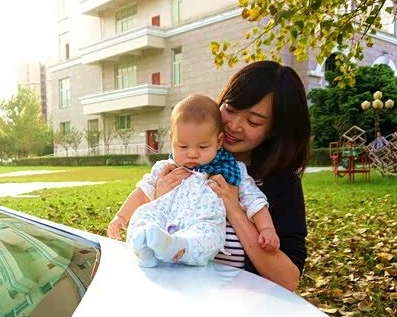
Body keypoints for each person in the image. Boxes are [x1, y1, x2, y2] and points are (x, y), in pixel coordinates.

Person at [154, 61, 310, 291]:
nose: (234, 126)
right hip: (177, 291)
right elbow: (151, 233)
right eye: (230, 109)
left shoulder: (281, 185)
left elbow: (288, 280)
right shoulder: (185, 161)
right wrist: (160, 199)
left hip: (240, 303)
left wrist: (235, 209)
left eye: (253, 121)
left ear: (274, 129)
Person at [106, 94, 278, 268]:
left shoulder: (232, 170)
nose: (192, 154)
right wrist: (121, 216)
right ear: (172, 139)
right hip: (163, 217)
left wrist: (267, 229)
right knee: (143, 215)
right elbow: (142, 193)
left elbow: (255, 201)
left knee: (209, 236)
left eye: (203, 147)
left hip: (202, 222)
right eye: (183, 146)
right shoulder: (165, 168)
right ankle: (143, 249)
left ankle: (178, 248)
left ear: (219, 141)